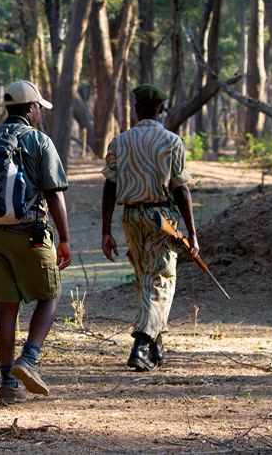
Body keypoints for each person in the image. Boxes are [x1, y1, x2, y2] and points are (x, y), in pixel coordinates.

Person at [0, 80, 71, 403]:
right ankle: (30, 359)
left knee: (6, 308)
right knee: (50, 295)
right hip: (30, 234)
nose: (40, 113)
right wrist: (64, 239)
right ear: (31, 108)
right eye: (39, 107)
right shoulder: (40, 141)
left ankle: (7, 382)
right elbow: (54, 194)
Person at [100, 83, 199, 372]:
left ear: (136, 108)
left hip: (130, 218)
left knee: (145, 279)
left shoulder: (119, 142)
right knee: (161, 280)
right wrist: (192, 233)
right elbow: (181, 190)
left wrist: (106, 231)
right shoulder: (172, 142)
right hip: (162, 220)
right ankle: (141, 344)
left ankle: (156, 345)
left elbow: (110, 185)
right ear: (161, 110)